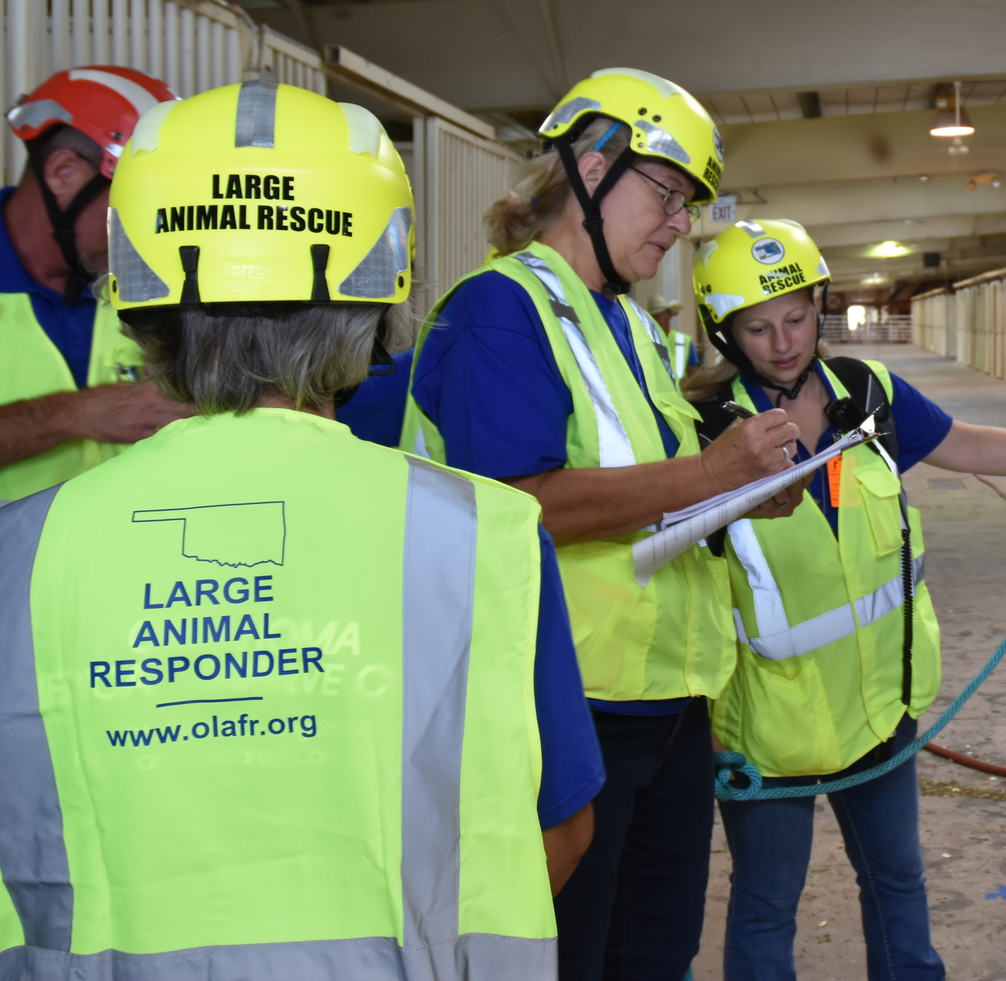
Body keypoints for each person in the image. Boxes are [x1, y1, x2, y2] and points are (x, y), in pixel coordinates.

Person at [0, 77, 601, 976]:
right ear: (377, 289)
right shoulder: (485, 537)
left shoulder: (17, 554)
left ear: (139, 289)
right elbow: (558, 831)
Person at [403, 68, 798, 980]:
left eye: (687, 207)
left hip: (668, 702)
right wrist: (712, 470)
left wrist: (730, 498)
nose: (678, 225)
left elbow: (646, 489)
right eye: (666, 195)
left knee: (654, 954)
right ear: (589, 165)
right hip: (565, 708)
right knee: (569, 956)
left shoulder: (630, 326)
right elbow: (515, 504)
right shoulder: (502, 310)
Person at [684, 218, 1006, 981]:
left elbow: (964, 443)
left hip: (880, 710)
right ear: (727, 332)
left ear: (819, 305)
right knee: (768, 904)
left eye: (798, 318)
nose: (783, 342)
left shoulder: (867, 395)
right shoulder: (706, 436)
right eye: (759, 326)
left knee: (897, 882)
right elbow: (685, 588)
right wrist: (702, 730)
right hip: (768, 734)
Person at [0, 66, 191, 500]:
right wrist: (72, 415)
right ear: (64, 172)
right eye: (138, 201)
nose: (152, 227)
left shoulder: (160, 281)